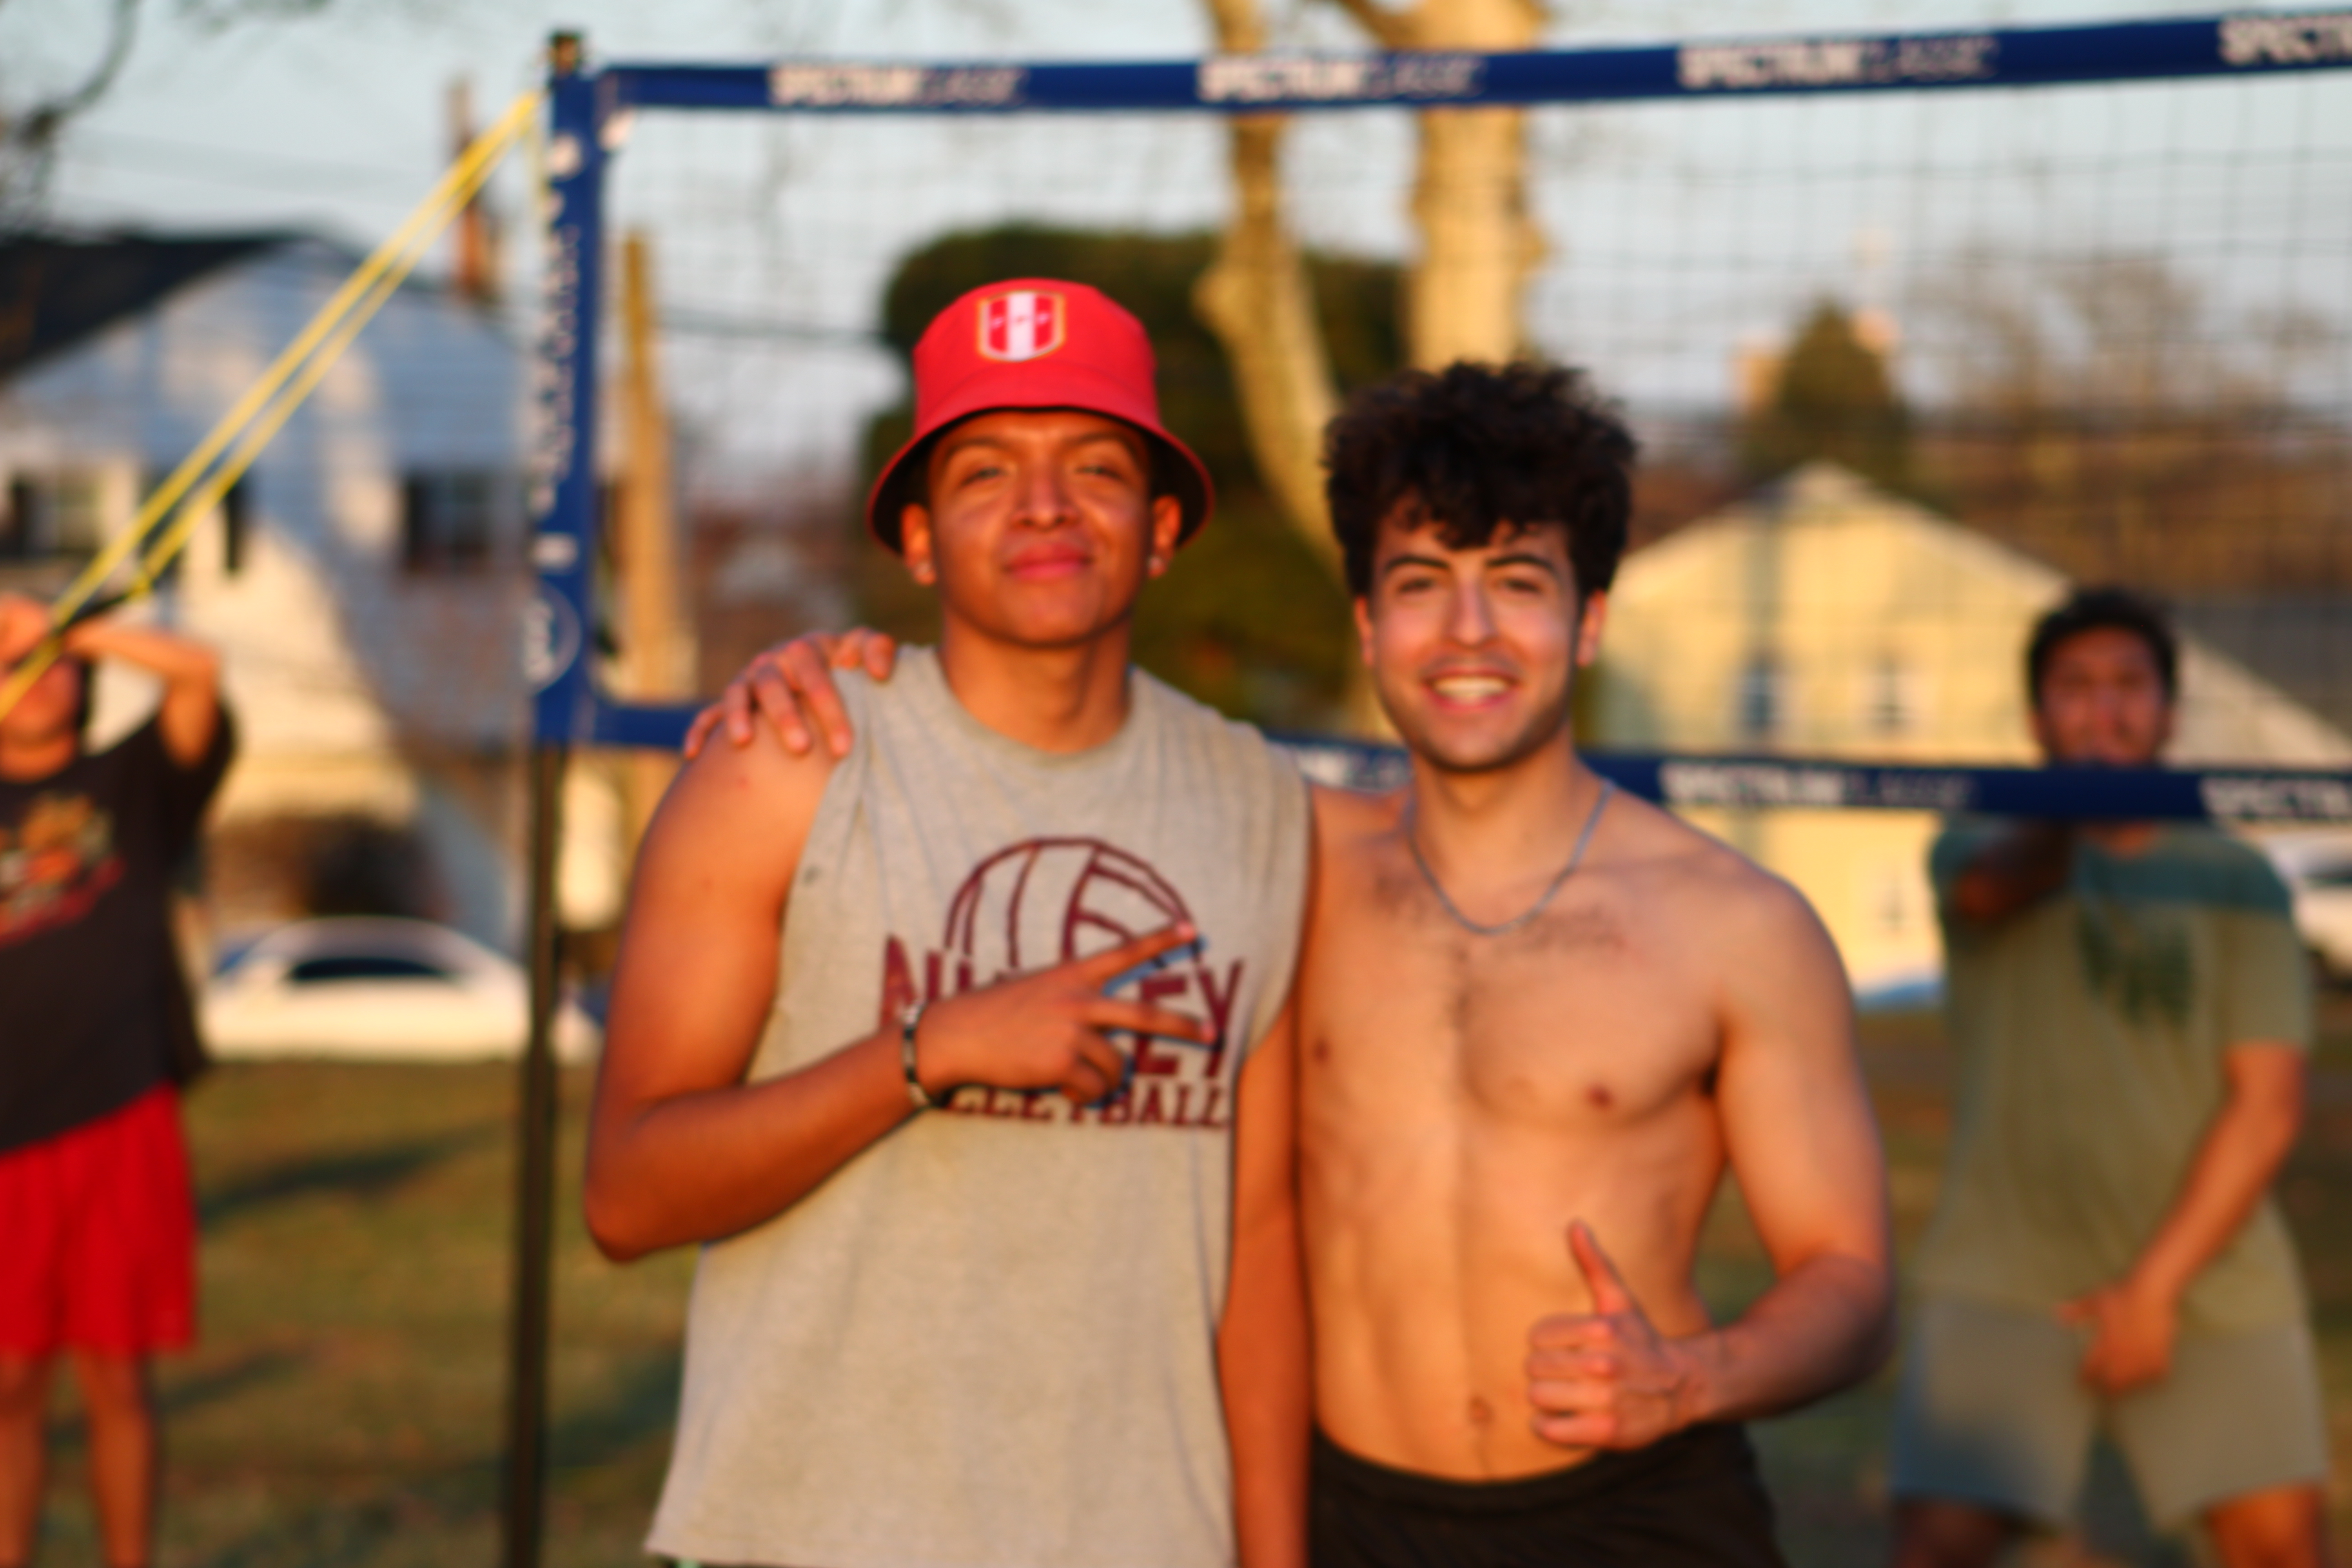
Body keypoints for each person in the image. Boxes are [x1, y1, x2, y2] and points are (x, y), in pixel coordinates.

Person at [691, 360, 1896, 1566]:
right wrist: (847, 675)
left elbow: (1847, 1276)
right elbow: (1043, 728)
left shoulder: (1736, 924)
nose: (1468, 632)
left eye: (1518, 585)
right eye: (1422, 585)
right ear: (1369, 625)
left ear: (1587, 622)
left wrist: (1692, 1378)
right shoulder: (1267, 843)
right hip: (1347, 1514)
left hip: (1635, 1508)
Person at [584, 279, 1313, 1568]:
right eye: (987, 472)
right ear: (917, 539)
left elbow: (1252, 1250)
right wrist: (927, 1051)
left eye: (1096, 465)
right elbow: (629, 1197)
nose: (1044, 505)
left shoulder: (1262, 806)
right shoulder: (785, 763)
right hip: (808, 1536)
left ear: (1160, 528)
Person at [1889, 588, 2332, 1568]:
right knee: (1939, 1544)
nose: (2105, 710)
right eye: (2077, 688)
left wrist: (2153, 1291)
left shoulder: (2236, 876)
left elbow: (2267, 1105)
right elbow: (1993, 887)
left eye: (2130, 686)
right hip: (2004, 1268)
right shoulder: (1979, 838)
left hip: (2210, 1276)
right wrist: (2066, 808)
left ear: (2169, 713)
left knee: (2282, 1543)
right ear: (2038, 718)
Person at [0, 594, 233, 1568]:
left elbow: (197, 676)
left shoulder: (131, 781)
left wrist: (68, 626)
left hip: (120, 1107)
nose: (45, 672)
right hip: (6, 1131)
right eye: (21, 662)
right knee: (9, 1384)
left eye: (63, 664)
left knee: (116, 1378)